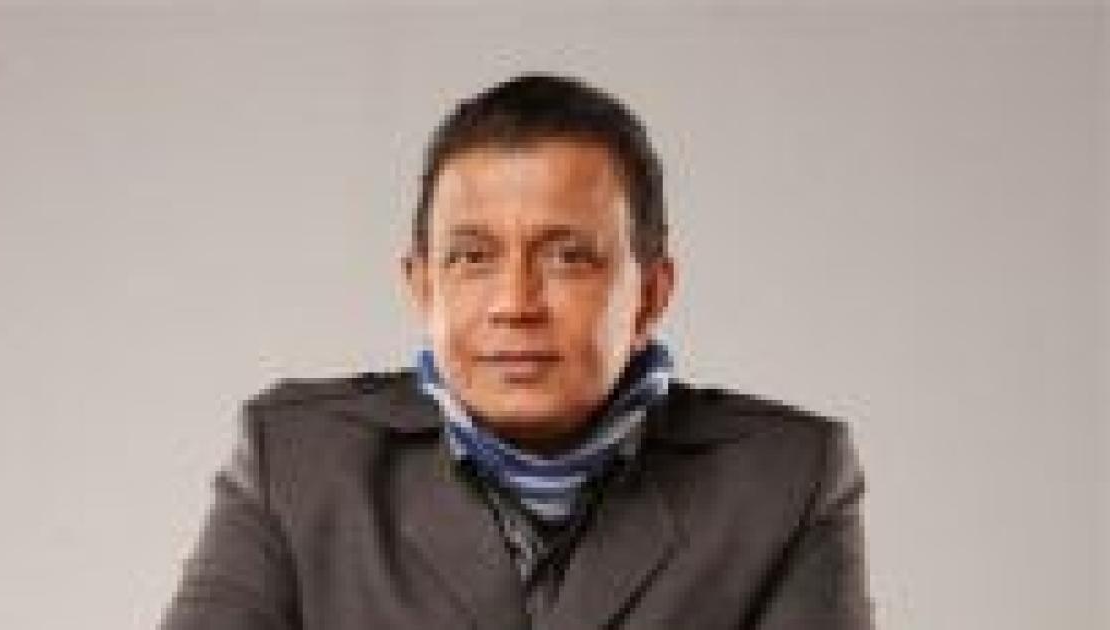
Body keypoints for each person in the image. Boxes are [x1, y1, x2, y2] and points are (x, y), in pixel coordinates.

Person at [160, 73, 874, 630]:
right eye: (472, 257)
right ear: (422, 286)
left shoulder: (786, 481)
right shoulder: (297, 463)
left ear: (651, 294)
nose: (515, 303)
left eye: (567, 257)